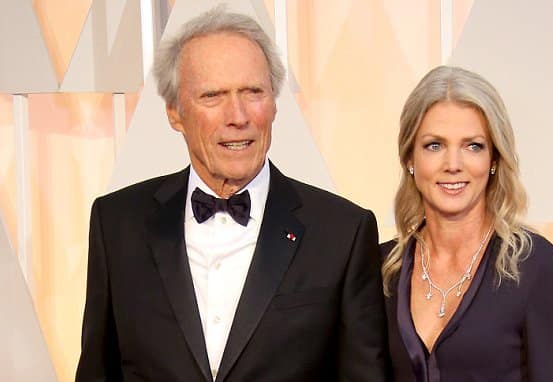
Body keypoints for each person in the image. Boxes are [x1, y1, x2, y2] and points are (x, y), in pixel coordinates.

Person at [75, 7, 389, 382]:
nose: (237, 115)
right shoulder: (116, 224)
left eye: (253, 92)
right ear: (175, 112)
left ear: (274, 104)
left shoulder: (343, 232)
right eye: (213, 95)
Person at [381, 66, 553, 381]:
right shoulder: (381, 270)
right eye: (434, 145)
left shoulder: (539, 268)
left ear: (494, 159)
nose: (453, 165)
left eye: (473, 145)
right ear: (409, 159)